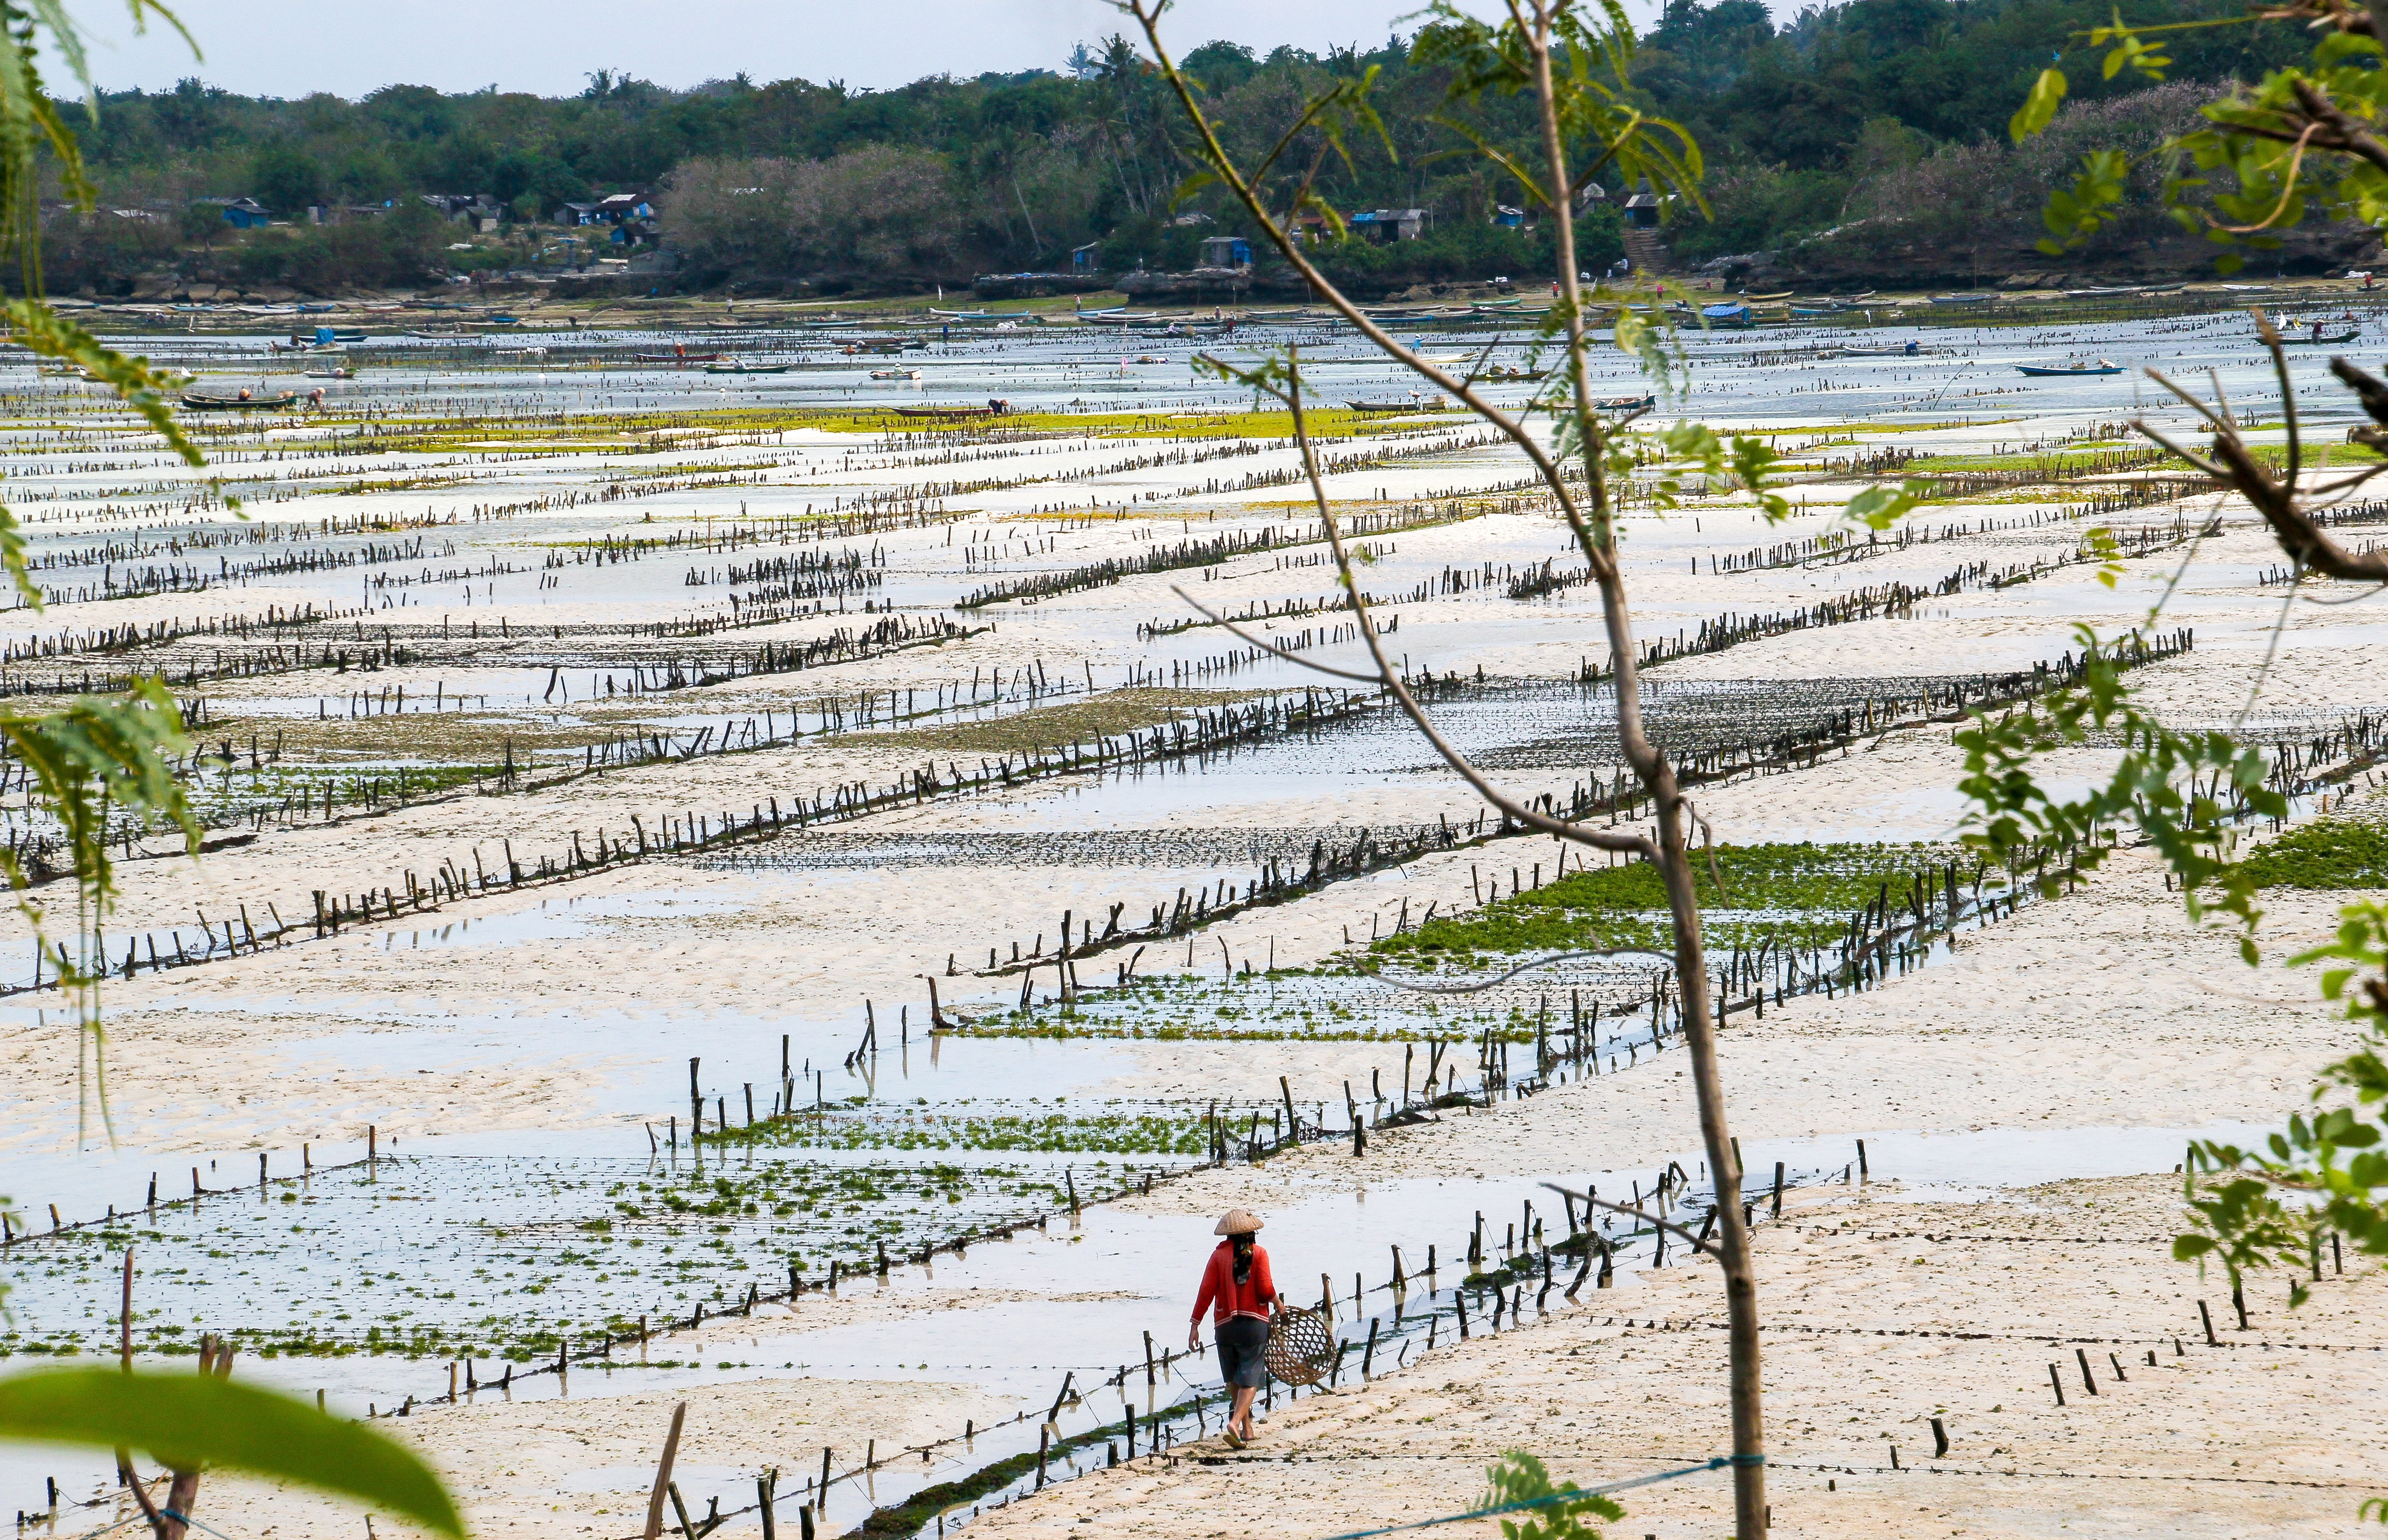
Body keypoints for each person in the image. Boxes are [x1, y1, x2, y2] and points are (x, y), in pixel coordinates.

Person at [1190, 1207, 1275, 1447]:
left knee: (1234, 1375)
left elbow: (1205, 1292)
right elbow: (1266, 1290)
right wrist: (1278, 1303)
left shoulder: (1218, 1256)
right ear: (1253, 1233)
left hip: (1225, 1326)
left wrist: (1195, 1325)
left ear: (1228, 1236)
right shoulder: (1259, 1254)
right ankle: (1236, 1421)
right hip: (1254, 1324)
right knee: (1252, 1374)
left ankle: (1247, 1429)